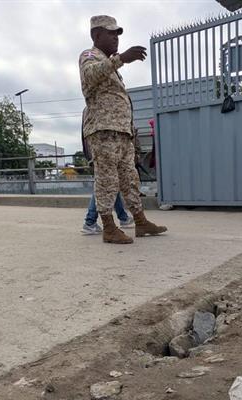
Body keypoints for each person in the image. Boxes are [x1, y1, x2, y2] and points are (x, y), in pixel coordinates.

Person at [80, 15, 166, 244]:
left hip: (122, 133)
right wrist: (121, 59)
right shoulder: (89, 57)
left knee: (130, 178)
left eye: (118, 34)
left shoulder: (111, 67)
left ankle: (141, 222)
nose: (116, 38)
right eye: (111, 33)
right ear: (96, 35)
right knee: (107, 180)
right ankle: (108, 228)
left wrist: (131, 133)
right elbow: (91, 75)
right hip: (104, 131)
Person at [79, 110, 134, 234]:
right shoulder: (99, 105)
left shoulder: (90, 106)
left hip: (97, 151)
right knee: (103, 185)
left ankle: (123, 217)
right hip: (102, 151)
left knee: (111, 184)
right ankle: (90, 221)